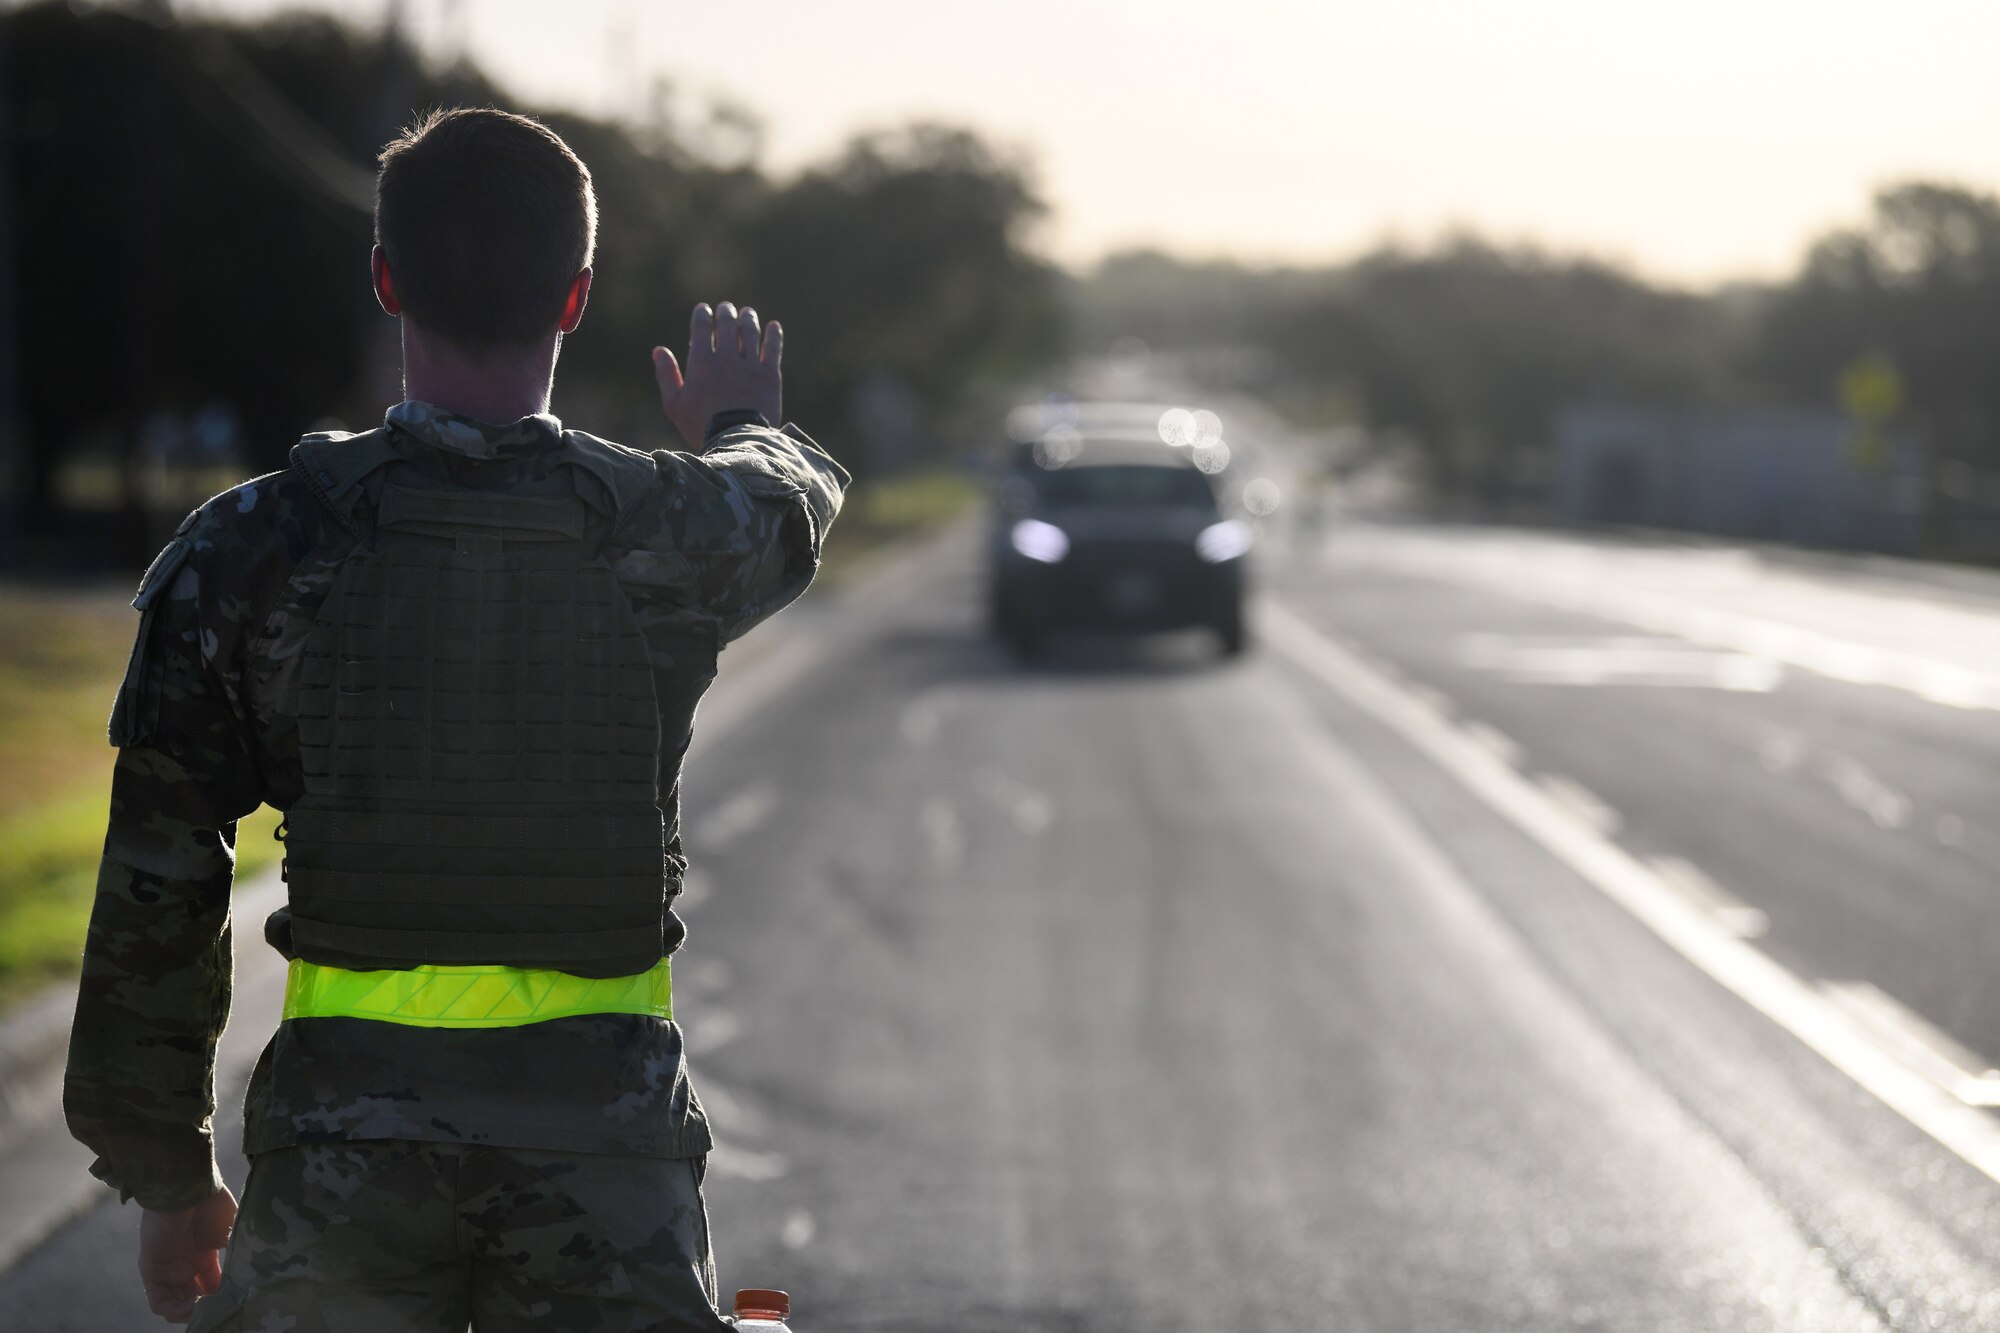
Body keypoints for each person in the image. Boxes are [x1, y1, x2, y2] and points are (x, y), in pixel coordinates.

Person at [63, 107, 846, 1331]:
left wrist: (166, 1170)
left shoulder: (254, 547)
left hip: (340, 1163)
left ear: (385, 279)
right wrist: (745, 423)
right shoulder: (666, 528)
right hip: (606, 1158)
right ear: (576, 298)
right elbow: (787, 506)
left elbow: (159, 877)